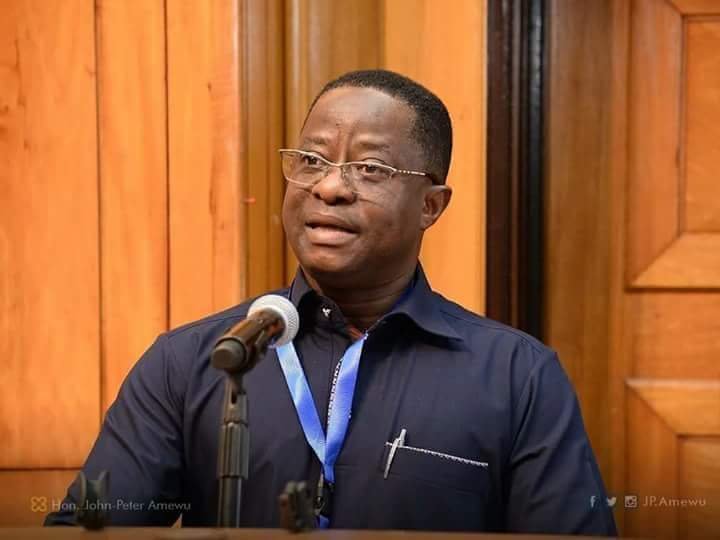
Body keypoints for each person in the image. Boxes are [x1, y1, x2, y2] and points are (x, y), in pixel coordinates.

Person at [46, 69, 617, 534]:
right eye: (312, 160)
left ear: (430, 205)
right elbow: (91, 530)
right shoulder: (196, 362)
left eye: (370, 168)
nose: (329, 186)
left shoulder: (517, 377)